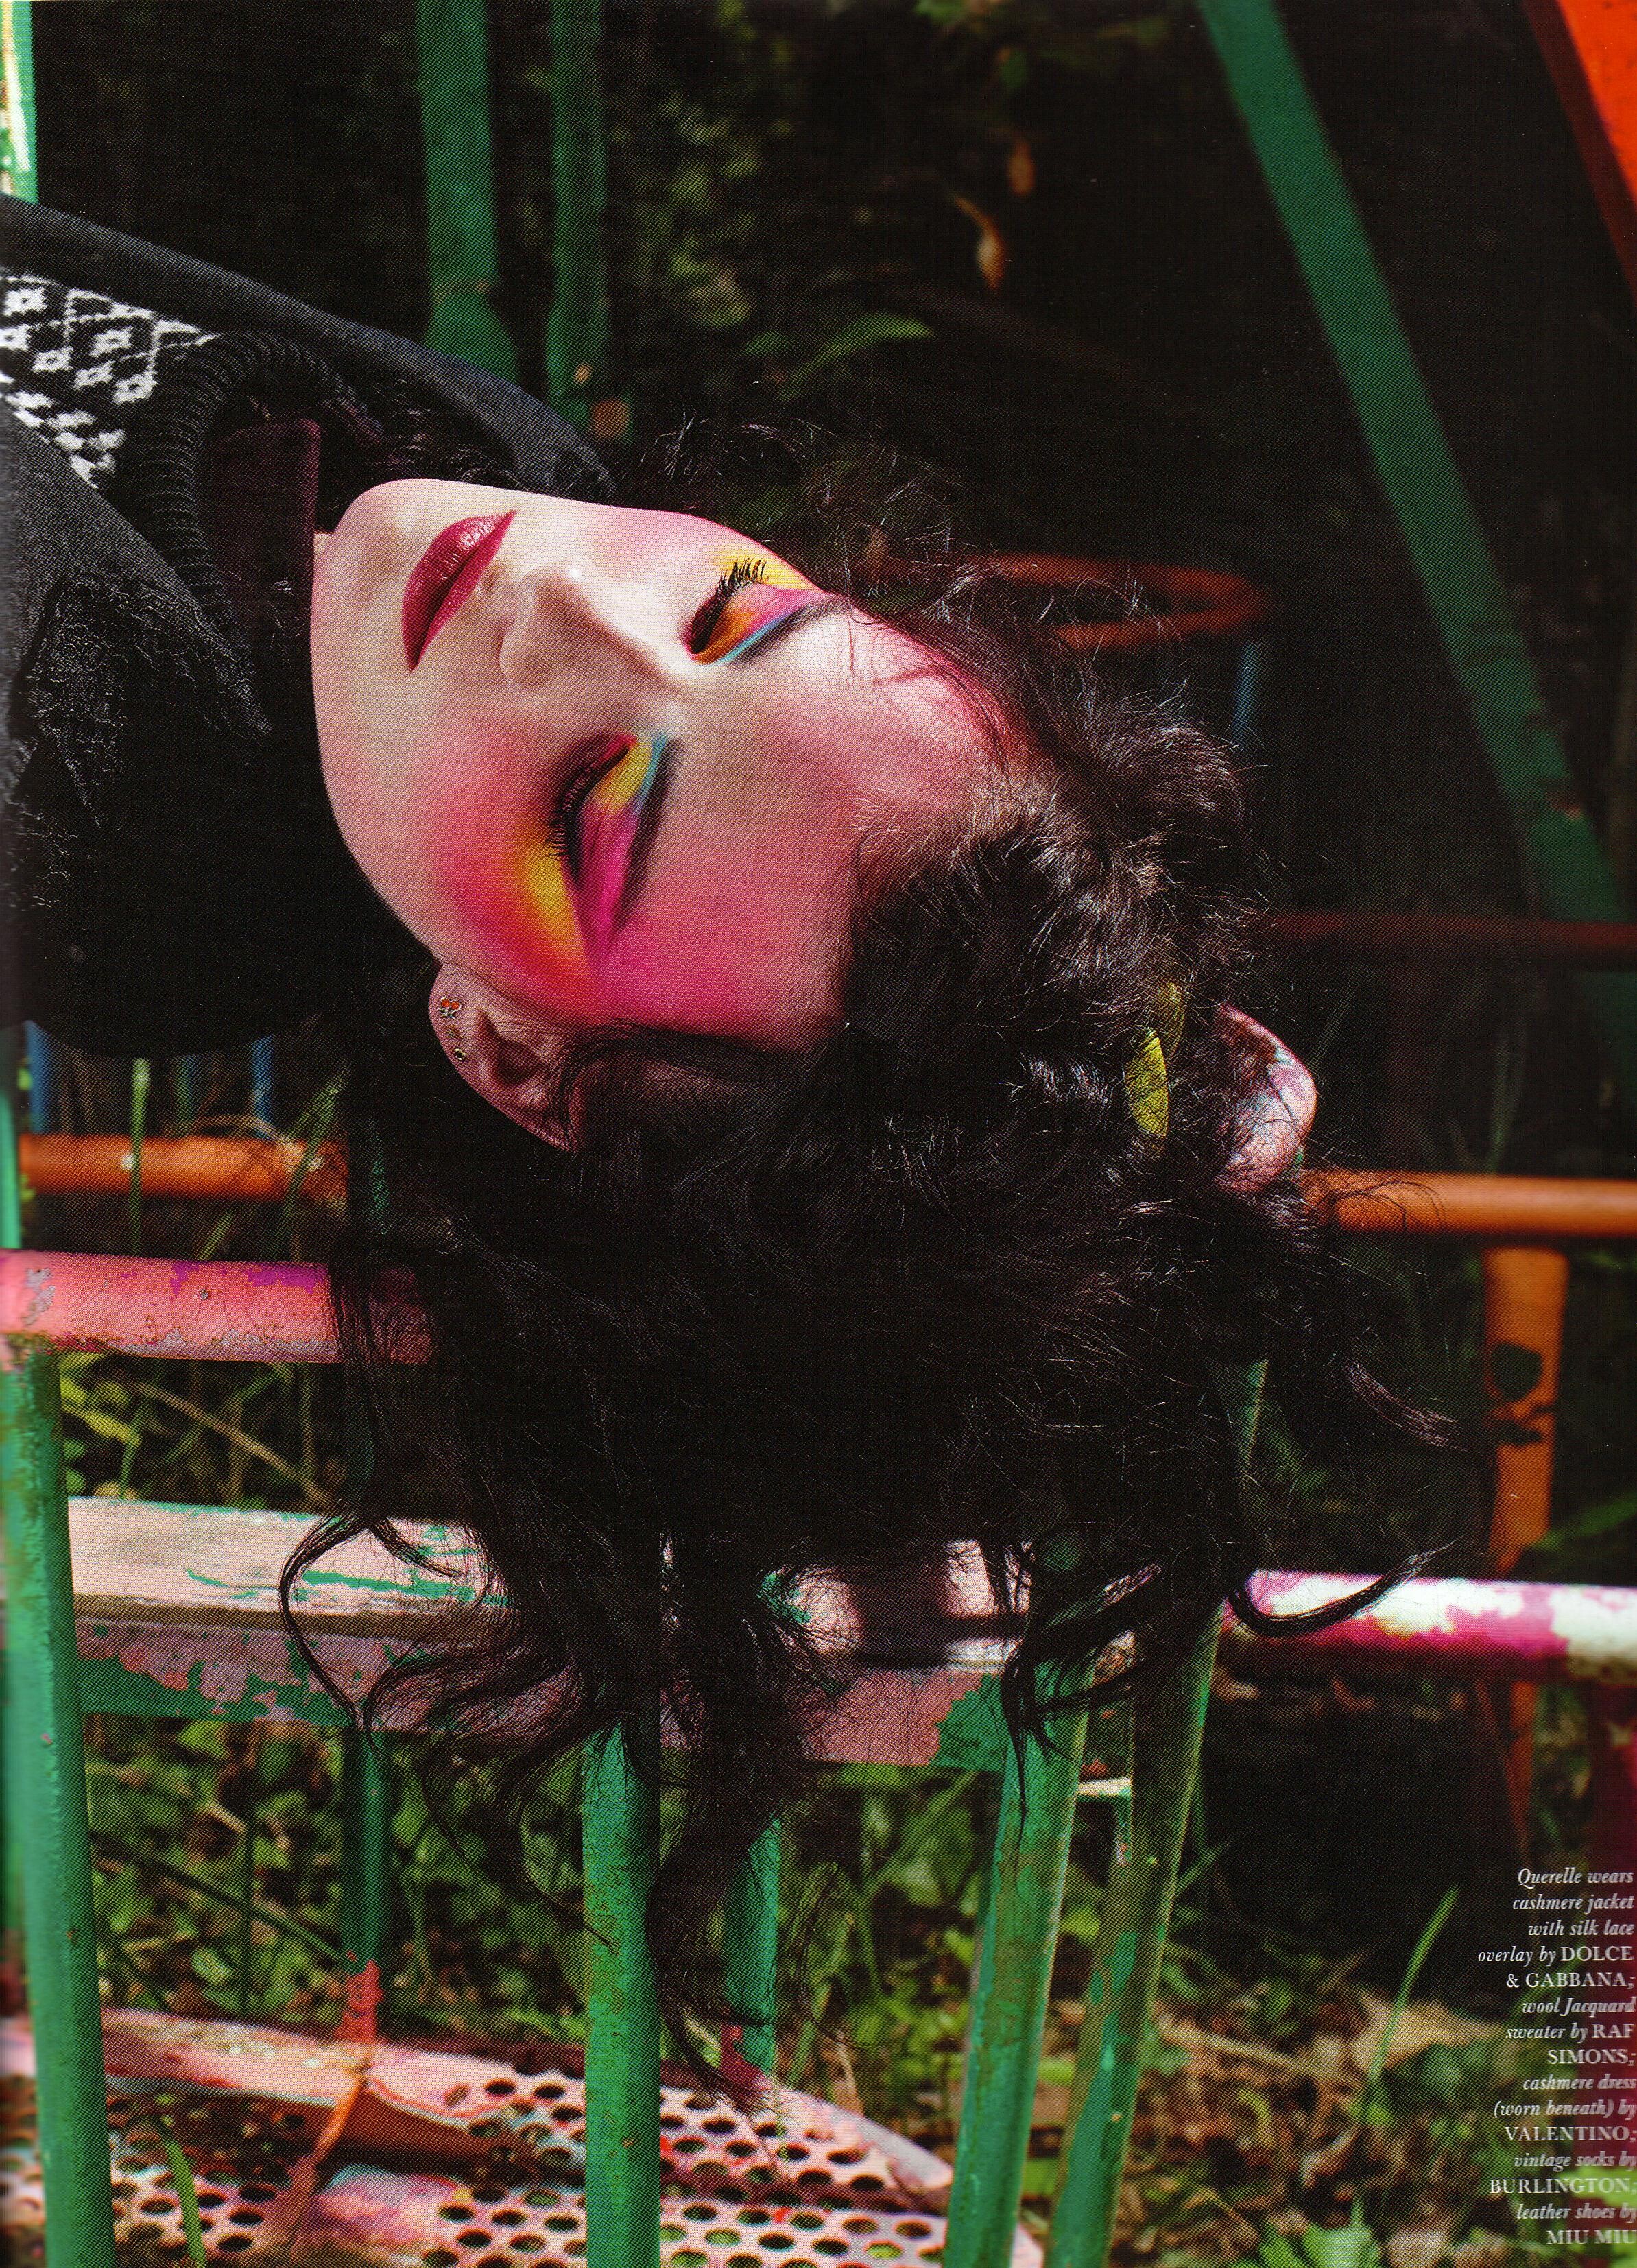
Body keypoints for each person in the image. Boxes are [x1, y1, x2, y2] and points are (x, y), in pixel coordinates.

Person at [0, 197, 1468, 2075]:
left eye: (591, 804)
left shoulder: (71, 781)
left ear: (513, 1055)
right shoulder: (485, 468)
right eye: (737, 613)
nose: (571, 602)